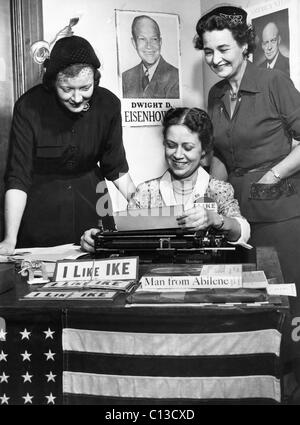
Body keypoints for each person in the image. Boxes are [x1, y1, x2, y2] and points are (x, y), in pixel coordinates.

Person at [194, 5, 300, 385]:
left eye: (224, 49)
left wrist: (272, 174)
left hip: (280, 213)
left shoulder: (275, 84)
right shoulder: (215, 94)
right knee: (245, 302)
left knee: (284, 302)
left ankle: (290, 383)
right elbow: (221, 158)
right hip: (236, 216)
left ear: (244, 44)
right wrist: (206, 198)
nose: (215, 59)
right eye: (208, 51)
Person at [0, 35, 135, 253]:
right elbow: (18, 177)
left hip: (93, 206)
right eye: (66, 89)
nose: (77, 97)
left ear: (95, 80)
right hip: (41, 213)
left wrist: (143, 209)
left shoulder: (109, 105)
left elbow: (116, 166)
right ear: (52, 82)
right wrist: (9, 240)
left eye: (85, 88)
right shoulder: (28, 107)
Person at [81, 107, 251, 252]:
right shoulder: (145, 192)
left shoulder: (218, 189)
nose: (177, 155)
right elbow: (122, 234)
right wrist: (95, 238)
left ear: (204, 150)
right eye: (171, 145)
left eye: (188, 147)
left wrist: (216, 219)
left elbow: (242, 231)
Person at [122, 15, 180, 99]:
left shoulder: (175, 77)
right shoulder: (126, 77)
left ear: (160, 42)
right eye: (142, 39)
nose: (149, 46)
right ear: (134, 43)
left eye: (154, 39)